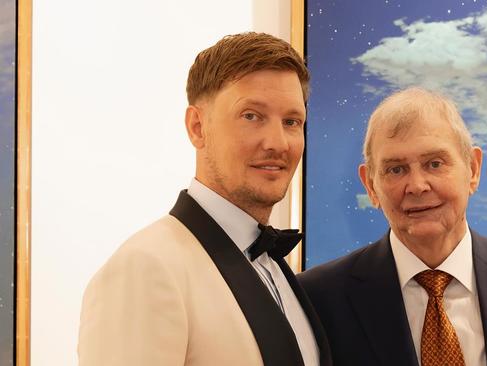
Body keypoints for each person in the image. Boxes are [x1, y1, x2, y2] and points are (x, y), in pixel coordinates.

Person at [78, 32, 331, 366]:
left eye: (291, 121)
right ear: (197, 127)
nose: (278, 142)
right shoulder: (145, 268)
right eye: (251, 116)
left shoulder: (276, 269)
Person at [298, 88, 487, 366]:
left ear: (473, 170)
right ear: (370, 186)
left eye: (435, 164)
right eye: (396, 169)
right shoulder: (318, 300)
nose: (416, 185)